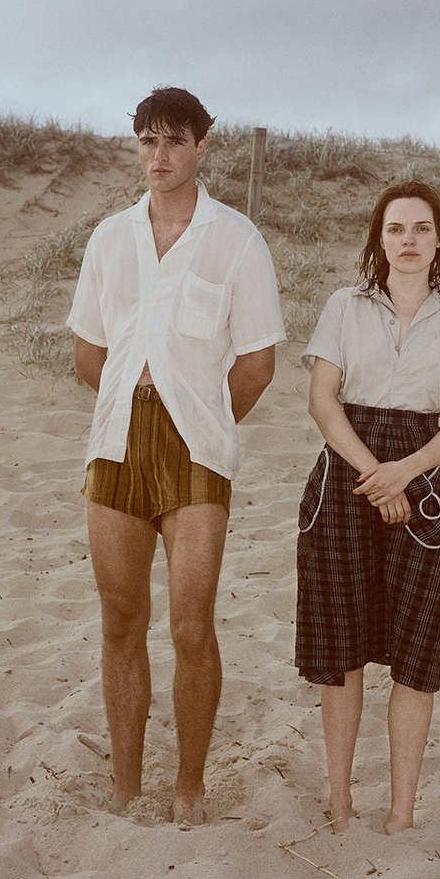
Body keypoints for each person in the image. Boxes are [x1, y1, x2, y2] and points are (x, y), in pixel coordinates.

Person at [67, 86, 286, 825]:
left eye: (173, 142)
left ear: (201, 148)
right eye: (146, 142)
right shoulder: (108, 239)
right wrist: (133, 398)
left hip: (197, 449)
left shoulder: (236, 240)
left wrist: (205, 421)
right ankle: (127, 788)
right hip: (116, 440)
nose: (158, 157)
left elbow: (257, 364)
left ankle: (189, 788)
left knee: (191, 624)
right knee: (121, 618)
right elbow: (87, 352)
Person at [295, 180, 440, 834]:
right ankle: (341, 802)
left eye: (421, 229)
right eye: (396, 229)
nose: (408, 241)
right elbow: (323, 401)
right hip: (347, 476)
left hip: (426, 479)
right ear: (380, 238)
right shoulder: (345, 307)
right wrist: (374, 473)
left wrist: (404, 471)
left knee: (416, 650)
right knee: (343, 645)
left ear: (439, 241)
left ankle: (402, 812)